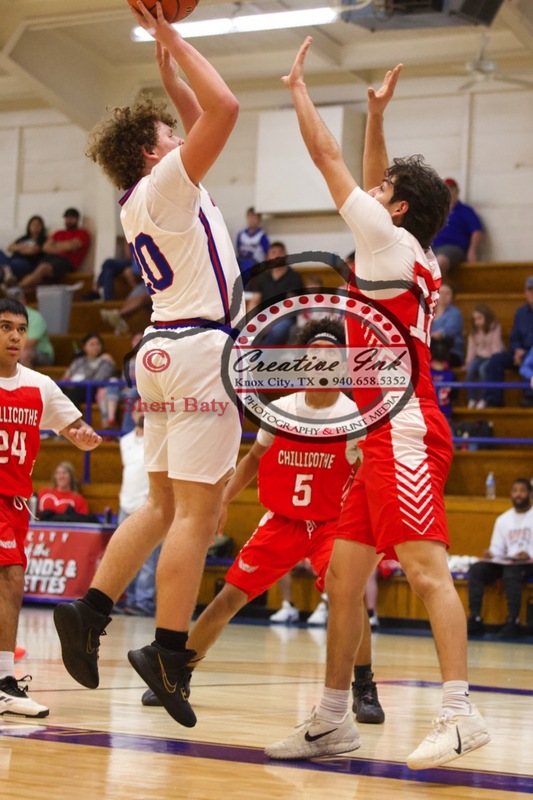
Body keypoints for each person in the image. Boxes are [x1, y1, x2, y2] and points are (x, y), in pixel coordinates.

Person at [265, 39, 489, 769]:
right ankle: (332, 720)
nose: (370, 191)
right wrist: (378, 118)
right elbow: (369, 178)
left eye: (383, 189)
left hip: (405, 425)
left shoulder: (388, 246)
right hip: (381, 429)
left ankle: (459, 713)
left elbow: (326, 157)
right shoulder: (404, 248)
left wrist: (299, 90)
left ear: (395, 209)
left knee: (425, 571)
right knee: (342, 577)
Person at [53, 1, 245, 729]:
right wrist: (172, 36)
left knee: (161, 505)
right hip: (197, 351)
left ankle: (90, 609)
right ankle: (166, 651)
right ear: (150, 152)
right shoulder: (167, 185)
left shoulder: (151, 194)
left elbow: (200, 117)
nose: (181, 136)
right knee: (197, 512)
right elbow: (224, 109)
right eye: (169, 134)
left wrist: (168, 74)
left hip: (163, 348)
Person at [141, 317, 385, 725]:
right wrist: (222, 500)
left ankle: (364, 686)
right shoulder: (281, 410)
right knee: (227, 599)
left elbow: (373, 474)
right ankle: (177, 674)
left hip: (331, 525)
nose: (321, 363)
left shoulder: (353, 418)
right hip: (282, 521)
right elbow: (254, 458)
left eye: (331, 356)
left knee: (350, 598)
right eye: (314, 355)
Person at [0, 296, 101, 718]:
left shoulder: (40, 385)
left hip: (16, 502)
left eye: (21, 329)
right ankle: (4, 681)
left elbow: (73, 426)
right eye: (6, 327)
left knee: (10, 581)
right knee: (11, 577)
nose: (15, 336)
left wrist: (83, 436)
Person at [467, 478, 533, 640]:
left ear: (530, 494)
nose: (518, 494)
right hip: (508, 561)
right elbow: (497, 549)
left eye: (522, 491)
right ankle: (475, 618)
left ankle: (513, 621)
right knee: (476, 569)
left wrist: (529, 554)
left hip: (528, 563)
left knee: (511, 573)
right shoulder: (503, 519)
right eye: (515, 491)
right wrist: (491, 554)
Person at [117, 411, 160, 616]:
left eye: (145, 408)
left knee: (149, 556)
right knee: (125, 555)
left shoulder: (158, 438)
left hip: (148, 503)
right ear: (132, 414)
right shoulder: (124, 441)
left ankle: (144, 601)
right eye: (138, 409)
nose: (141, 412)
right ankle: (129, 598)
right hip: (125, 503)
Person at [483, 277, 533, 408]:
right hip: (521, 352)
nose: (532, 293)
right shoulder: (521, 312)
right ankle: (493, 400)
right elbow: (514, 336)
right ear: (525, 293)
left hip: (531, 353)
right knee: (495, 360)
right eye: (530, 290)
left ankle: (530, 397)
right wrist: (517, 350)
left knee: (529, 360)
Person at [17, 208, 90, 291]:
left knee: (43, 268)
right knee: (35, 269)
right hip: (51, 258)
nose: (69, 220)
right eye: (67, 217)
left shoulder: (83, 233)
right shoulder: (59, 233)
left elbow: (72, 246)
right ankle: (19, 290)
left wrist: (55, 245)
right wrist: (65, 245)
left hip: (67, 262)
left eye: (72, 217)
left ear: (77, 219)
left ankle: (17, 289)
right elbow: (45, 247)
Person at [246, 241, 303, 344]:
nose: (277, 255)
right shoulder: (262, 277)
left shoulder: (294, 276)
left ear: (285, 255)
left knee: (277, 331)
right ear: (268, 257)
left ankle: (259, 354)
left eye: (280, 252)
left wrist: (270, 321)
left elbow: (290, 304)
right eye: (273, 252)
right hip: (263, 315)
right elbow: (254, 301)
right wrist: (249, 319)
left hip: (284, 317)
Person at [61, 333, 118, 428]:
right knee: (57, 390)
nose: (96, 347)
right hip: (72, 387)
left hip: (91, 390)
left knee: (73, 394)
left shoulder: (105, 361)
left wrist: (79, 383)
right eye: (92, 344)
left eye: (98, 344)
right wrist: (67, 381)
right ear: (84, 347)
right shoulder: (78, 361)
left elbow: (98, 380)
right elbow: (66, 377)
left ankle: (73, 426)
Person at [431, 178, 483, 275]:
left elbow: (476, 231)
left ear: (457, 191)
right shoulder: (436, 211)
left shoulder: (466, 211)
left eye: (451, 189)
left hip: (453, 248)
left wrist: (472, 250)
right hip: (432, 247)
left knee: (440, 262)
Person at [464, 304, 505, 409]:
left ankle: (484, 398)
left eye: (479, 318)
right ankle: (471, 398)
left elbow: (496, 347)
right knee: (470, 369)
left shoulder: (495, 327)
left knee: (483, 369)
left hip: (492, 357)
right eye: (475, 319)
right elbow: (471, 348)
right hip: (479, 356)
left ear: (486, 317)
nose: (477, 322)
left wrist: (493, 360)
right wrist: (468, 362)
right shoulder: (474, 330)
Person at [6, 287, 54, 368]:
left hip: (40, 354)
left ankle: (23, 377)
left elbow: (30, 344)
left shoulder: (35, 317)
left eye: (17, 300)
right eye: (11, 301)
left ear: (23, 300)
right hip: (12, 350)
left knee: (25, 353)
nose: (14, 304)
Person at [0, 215, 47, 286]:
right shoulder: (24, 238)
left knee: (13, 263)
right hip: (12, 260)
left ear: (42, 227)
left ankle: (7, 272)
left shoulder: (43, 239)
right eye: (33, 224)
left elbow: (32, 251)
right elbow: (10, 247)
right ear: (29, 226)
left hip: (28, 263)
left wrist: (18, 248)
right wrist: (25, 249)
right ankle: (8, 273)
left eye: (38, 224)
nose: (35, 226)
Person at [430, 282, 464, 367]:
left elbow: (447, 332)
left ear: (452, 297)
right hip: (432, 349)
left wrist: (430, 336)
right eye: (441, 293)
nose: (443, 296)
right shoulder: (429, 311)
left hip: (450, 351)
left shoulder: (455, 313)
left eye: (447, 293)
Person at [235, 206, 269, 275]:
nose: (252, 220)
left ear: (259, 220)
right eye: (250, 217)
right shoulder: (241, 234)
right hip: (242, 260)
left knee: (247, 265)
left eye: (254, 217)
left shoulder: (262, 236)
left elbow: (267, 253)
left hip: (255, 263)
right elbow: (238, 249)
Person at [430, 340, 456, 421]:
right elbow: (454, 396)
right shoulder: (451, 375)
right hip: (445, 412)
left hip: (431, 412)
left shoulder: (427, 373)